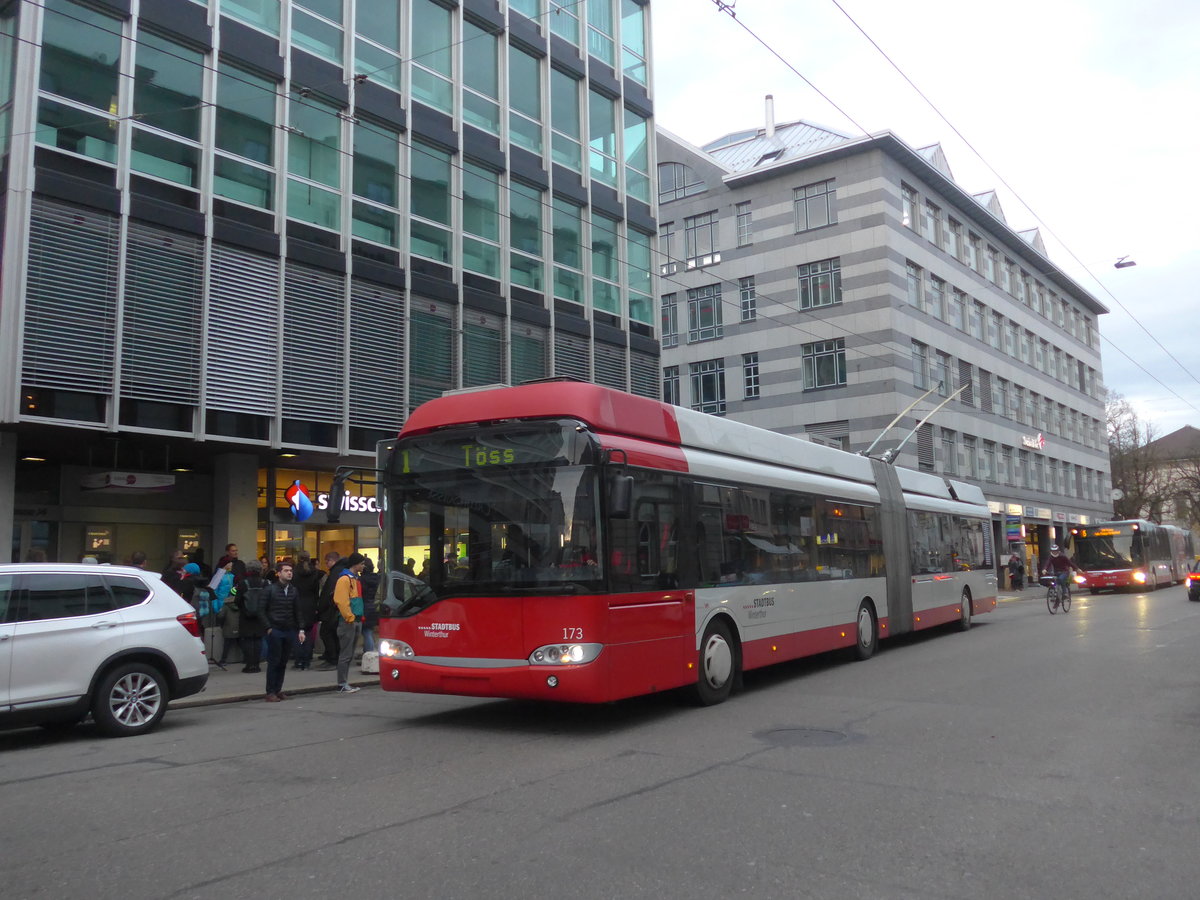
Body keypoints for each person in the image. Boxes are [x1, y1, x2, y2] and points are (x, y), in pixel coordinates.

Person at [262, 560, 305, 702]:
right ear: (278, 573)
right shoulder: (270, 589)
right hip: (275, 630)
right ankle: (270, 692)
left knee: (283, 661)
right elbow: (260, 610)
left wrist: (301, 629)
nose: (289, 573)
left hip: (289, 630)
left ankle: (278, 689)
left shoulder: (293, 590)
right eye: (286, 571)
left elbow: (298, 611)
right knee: (274, 661)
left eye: (291, 571)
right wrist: (268, 627)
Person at [333, 552, 366, 693]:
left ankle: (344, 683)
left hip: (354, 620)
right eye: (362, 563)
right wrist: (350, 617)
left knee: (348, 654)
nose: (363, 566)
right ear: (356, 564)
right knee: (346, 654)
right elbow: (341, 601)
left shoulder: (354, 579)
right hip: (349, 621)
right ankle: (342, 683)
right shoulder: (345, 580)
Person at [232, 559, 269, 673]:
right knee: (258, 639)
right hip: (260, 616)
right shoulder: (265, 583)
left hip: (246, 616)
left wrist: (243, 609)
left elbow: (237, 600)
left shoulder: (243, 583)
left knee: (247, 640)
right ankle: (256, 665)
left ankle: (249, 665)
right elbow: (269, 599)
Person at [315, 550, 346, 670]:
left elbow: (328, 592)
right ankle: (332, 657)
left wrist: (321, 607)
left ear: (331, 561)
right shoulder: (341, 570)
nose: (326, 564)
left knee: (327, 633)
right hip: (335, 608)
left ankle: (332, 659)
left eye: (327, 561)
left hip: (331, 609)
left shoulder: (335, 573)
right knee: (331, 633)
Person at [291, 552, 321, 670]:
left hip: (297, 603)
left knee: (297, 632)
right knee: (308, 633)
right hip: (310, 604)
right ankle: (307, 660)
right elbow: (316, 591)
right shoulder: (314, 572)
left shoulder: (294, 572)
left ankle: (298, 661)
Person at [360, 557, 380, 655]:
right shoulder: (377, 577)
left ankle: (369, 654)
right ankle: (369, 651)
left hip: (364, 606)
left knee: (366, 632)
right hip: (374, 606)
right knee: (369, 631)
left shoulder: (361, 579)